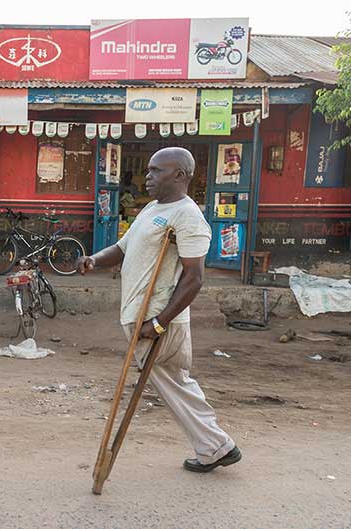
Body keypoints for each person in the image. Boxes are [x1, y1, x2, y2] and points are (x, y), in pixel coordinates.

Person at [77, 147, 241, 473]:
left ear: (179, 175)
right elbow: (123, 248)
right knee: (176, 383)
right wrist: (95, 260)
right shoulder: (153, 208)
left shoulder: (189, 218)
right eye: (149, 170)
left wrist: (160, 323)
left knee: (173, 384)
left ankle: (217, 445)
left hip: (157, 320)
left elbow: (194, 279)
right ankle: (216, 447)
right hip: (143, 316)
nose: (147, 177)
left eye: (156, 171)